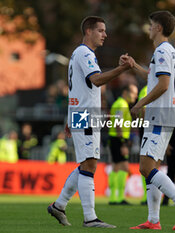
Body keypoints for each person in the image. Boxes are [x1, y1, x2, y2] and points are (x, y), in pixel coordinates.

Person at [47, 16, 132, 228]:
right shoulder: (84, 53)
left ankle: (59, 205)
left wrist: (69, 116)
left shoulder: (81, 54)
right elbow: (97, 80)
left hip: (81, 113)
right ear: (88, 31)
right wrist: (122, 70)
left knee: (87, 162)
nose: (105, 34)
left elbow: (76, 88)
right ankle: (90, 218)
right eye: (101, 30)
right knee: (90, 163)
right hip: (84, 115)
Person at [127, 11, 175, 230]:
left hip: (160, 115)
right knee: (152, 167)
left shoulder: (163, 50)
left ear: (158, 27)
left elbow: (164, 85)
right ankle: (154, 220)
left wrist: (141, 103)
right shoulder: (164, 51)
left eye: (150, 24)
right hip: (160, 115)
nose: (148, 28)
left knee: (146, 167)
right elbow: (154, 76)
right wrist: (133, 66)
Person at [108, 84, 138, 205]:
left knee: (116, 167)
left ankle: (113, 198)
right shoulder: (122, 105)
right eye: (133, 93)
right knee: (124, 168)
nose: (135, 97)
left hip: (115, 138)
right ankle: (119, 197)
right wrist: (123, 143)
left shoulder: (118, 104)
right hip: (118, 139)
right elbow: (118, 124)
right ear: (125, 93)